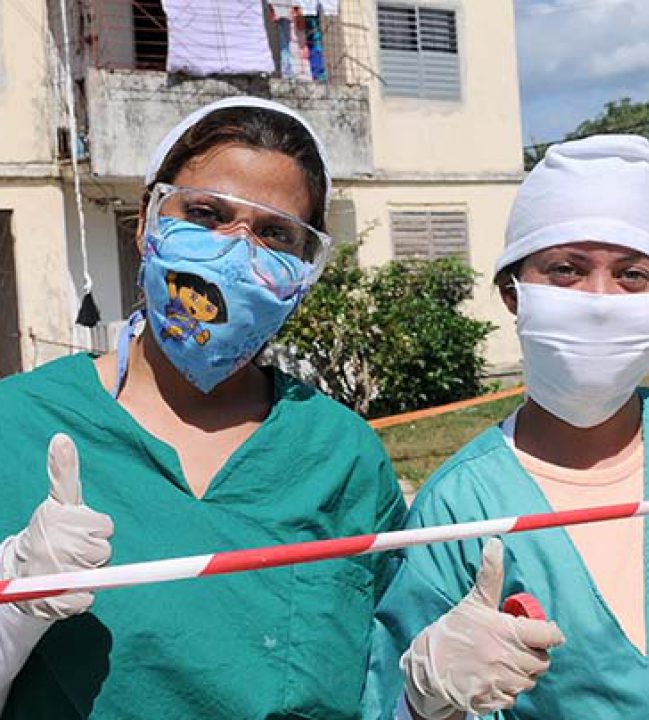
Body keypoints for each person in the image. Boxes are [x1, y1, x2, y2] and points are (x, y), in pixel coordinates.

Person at [0, 96, 406, 719]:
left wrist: (430, 695)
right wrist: (13, 606)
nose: (234, 253)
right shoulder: (17, 425)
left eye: (274, 234)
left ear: (304, 268)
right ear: (147, 222)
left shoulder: (343, 457)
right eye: (205, 214)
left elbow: (381, 676)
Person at [365, 134, 649, 719]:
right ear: (513, 294)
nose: (600, 300)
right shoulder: (460, 510)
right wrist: (423, 701)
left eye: (632, 274)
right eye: (566, 270)